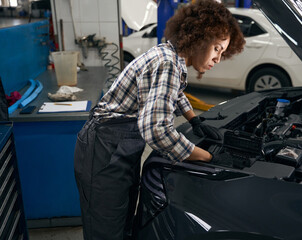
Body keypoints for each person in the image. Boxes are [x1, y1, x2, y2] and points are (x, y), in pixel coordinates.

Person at [74, 0, 245, 239]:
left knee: (122, 219)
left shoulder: (170, 56)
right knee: (106, 227)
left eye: (223, 53)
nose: (218, 58)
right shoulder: (168, 64)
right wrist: (208, 156)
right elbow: (156, 131)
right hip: (104, 146)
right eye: (217, 48)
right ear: (200, 37)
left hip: (117, 143)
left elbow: (173, 93)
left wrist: (194, 120)